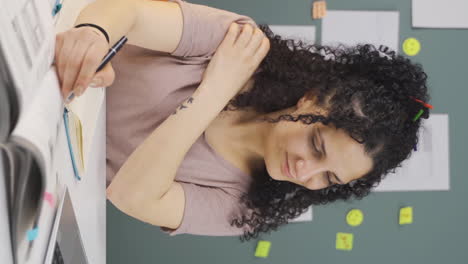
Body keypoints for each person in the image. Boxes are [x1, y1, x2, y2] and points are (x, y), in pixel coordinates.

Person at [54, 0, 430, 241]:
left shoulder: (249, 208)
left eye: (328, 178)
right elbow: (128, 13)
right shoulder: (242, 45)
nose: (305, 172)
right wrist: (94, 35)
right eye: (316, 145)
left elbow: (129, 196)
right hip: (46, 65)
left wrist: (213, 94)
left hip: (49, 162)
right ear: (312, 97)